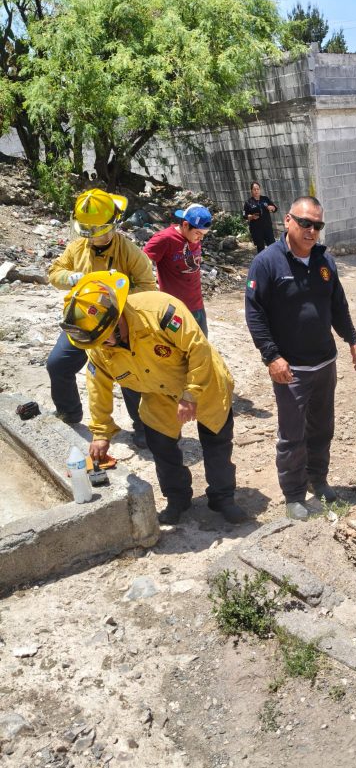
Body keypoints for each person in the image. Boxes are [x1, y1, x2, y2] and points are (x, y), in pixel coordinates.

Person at [60, 271, 247, 526]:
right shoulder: (100, 348)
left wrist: (190, 393)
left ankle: (223, 498)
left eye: (105, 340)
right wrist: (101, 432)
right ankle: (177, 499)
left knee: (216, 443)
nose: (103, 347)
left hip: (203, 380)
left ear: (116, 320)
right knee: (160, 445)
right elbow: (97, 387)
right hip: (158, 393)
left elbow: (198, 348)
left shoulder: (161, 311)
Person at [245, 196, 356, 520]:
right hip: (291, 369)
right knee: (292, 435)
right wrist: (272, 357)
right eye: (305, 223)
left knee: (322, 427)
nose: (311, 230)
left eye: (317, 225)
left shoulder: (325, 261)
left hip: (325, 363)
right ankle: (294, 495)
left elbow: (338, 305)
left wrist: (352, 340)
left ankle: (318, 479)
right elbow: (255, 313)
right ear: (287, 221)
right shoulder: (267, 262)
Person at [47, 189, 156, 447]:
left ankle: (143, 427)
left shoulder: (130, 253)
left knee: (129, 377)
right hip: (83, 323)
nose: (93, 238)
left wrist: (118, 298)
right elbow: (54, 272)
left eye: (99, 231)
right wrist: (70, 278)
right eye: (87, 231)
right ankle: (69, 412)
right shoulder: (77, 249)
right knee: (57, 365)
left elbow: (149, 288)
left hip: (118, 327)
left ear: (114, 225)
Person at [144, 203, 212, 337]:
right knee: (176, 350)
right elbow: (139, 262)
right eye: (198, 233)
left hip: (196, 305)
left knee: (201, 347)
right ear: (185, 225)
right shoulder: (164, 239)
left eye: (204, 234)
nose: (201, 238)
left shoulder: (193, 236)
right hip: (174, 309)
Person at [243, 182, 278, 253]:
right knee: (261, 249)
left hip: (267, 228)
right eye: (254, 189)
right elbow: (244, 215)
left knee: (273, 247)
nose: (256, 191)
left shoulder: (265, 199)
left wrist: (272, 208)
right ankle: (262, 263)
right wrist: (251, 217)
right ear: (251, 191)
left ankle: (273, 262)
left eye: (258, 189)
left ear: (260, 190)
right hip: (256, 230)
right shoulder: (248, 202)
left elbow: (275, 208)